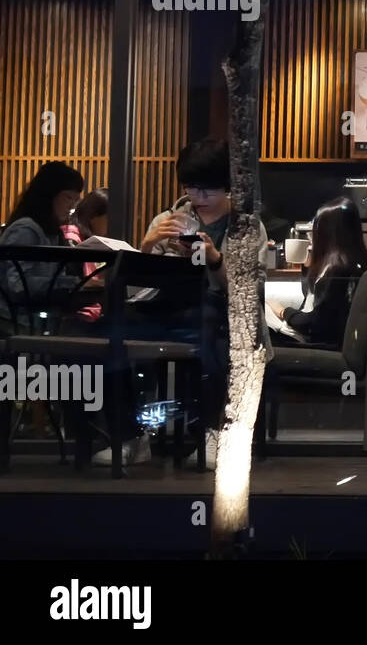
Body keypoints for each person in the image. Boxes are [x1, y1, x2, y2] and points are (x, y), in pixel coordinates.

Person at [100, 138, 267, 468]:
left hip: (221, 316)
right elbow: (137, 285)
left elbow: (248, 292)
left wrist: (215, 258)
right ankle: (131, 436)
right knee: (111, 330)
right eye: (191, 188)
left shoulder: (247, 227)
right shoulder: (170, 219)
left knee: (213, 324)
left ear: (228, 186)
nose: (198, 199)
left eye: (209, 190)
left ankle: (214, 432)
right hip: (167, 309)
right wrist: (147, 247)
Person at [268, 196, 367, 349]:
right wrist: (309, 265)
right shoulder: (337, 265)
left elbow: (317, 323)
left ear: (328, 232)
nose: (312, 232)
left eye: (317, 227)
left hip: (316, 343)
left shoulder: (339, 271)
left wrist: (283, 312)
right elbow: (311, 303)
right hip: (307, 335)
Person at [0, 161, 85, 333]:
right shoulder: (25, 229)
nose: (72, 207)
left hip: (35, 322)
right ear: (49, 195)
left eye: (76, 200)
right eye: (68, 198)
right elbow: (18, 285)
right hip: (15, 323)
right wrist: (74, 284)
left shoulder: (51, 233)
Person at [59, 188, 110, 323]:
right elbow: (76, 281)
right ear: (94, 216)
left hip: (88, 312)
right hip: (73, 317)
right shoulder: (70, 238)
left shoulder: (93, 241)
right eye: (110, 218)